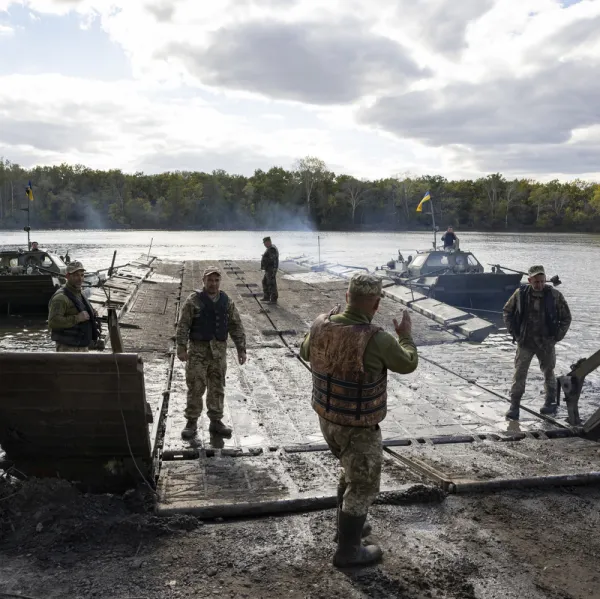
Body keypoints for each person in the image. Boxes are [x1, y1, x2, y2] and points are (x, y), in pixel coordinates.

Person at [300, 273, 418, 568]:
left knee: (350, 471)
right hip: (358, 425)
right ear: (376, 304)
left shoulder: (320, 324)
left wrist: (325, 332)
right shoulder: (377, 338)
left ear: (347, 296)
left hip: (328, 419)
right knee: (363, 484)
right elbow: (408, 363)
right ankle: (348, 551)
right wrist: (405, 336)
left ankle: (347, 529)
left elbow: (305, 351)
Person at [177, 266, 247, 439]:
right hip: (197, 353)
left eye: (216, 280)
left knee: (217, 387)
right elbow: (183, 325)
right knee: (196, 387)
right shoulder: (193, 301)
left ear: (219, 281)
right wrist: (181, 347)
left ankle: (216, 421)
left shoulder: (226, 301)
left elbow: (236, 325)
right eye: (210, 280)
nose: (213, 283)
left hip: (219, 354)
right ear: (204, 281)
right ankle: (191, 421)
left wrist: (241, 349)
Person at [503, 265, 571, 419]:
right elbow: (507, 312)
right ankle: (514, 405)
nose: (539, 284)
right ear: (529, 280)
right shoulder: (520, 294)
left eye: (542, 281)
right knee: (519, 373)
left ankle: (550, 402)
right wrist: (514, 332)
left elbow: (566, 317)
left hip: (546, 343)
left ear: (545, 279)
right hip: (525, 342)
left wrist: (558, 336)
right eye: (536, 282)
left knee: (549, 372)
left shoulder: (555, 295)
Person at [48, 261, 100, 352]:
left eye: (82, 275)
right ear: (67, 276)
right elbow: (53, 322)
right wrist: (77, 318)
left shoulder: (79, 293)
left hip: (82, 345)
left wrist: (91, 312)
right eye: (76, 275)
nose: (80, 279)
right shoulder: (61, 298)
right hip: (67, 348)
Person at [260, 236, 279, 304]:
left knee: (271, 283)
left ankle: (273, 299)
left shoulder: (272, 249)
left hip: (271, 269)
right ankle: (267, 297)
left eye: (265, 243)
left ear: (269, 242)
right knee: (265, 282)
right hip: (268, 269)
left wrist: (265, 259)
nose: (264, 245)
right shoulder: (270, 248)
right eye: (264, 243)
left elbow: (272, 259)